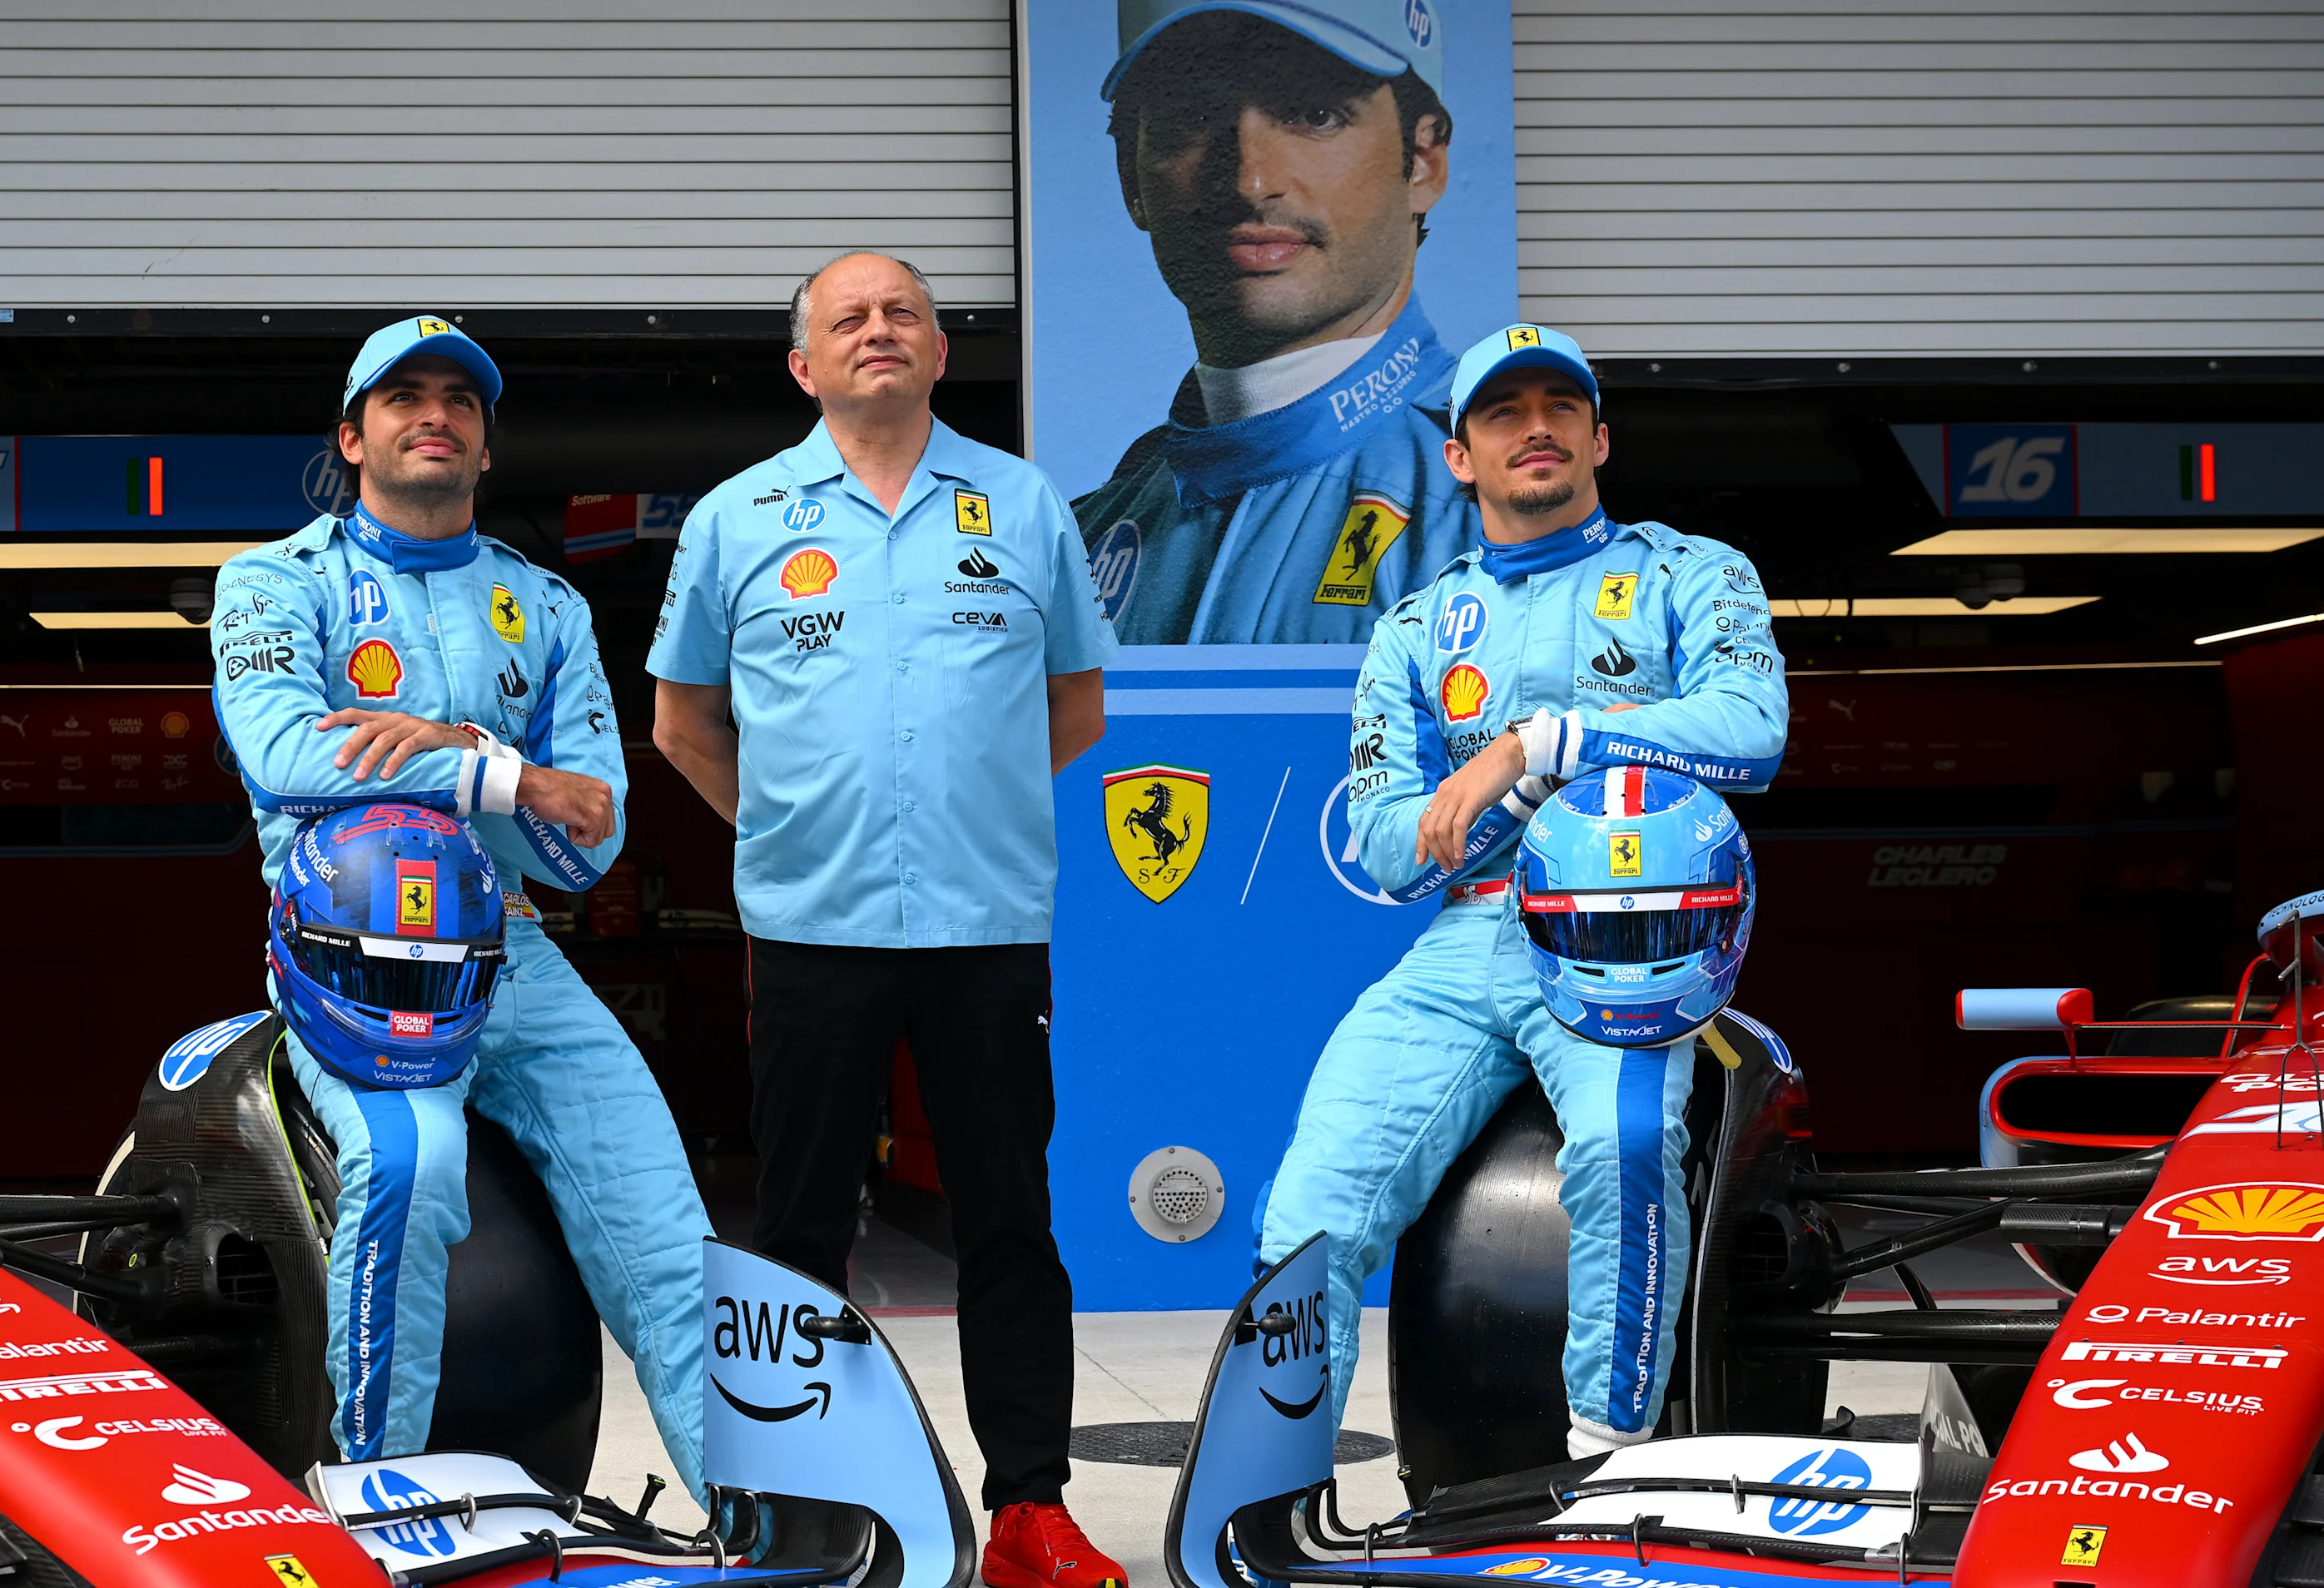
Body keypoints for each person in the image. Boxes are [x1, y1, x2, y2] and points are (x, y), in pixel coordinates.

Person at [647, 253, 1125, 1588]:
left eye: (901, 312)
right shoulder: (739, 520)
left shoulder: (1023, 506)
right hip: (811, 926)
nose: (878, 330)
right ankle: (796, 1509)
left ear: (937, 350)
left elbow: (1077, 711)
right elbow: (682, 725)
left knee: (1009, 1226)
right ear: (805, 366)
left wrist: (958, 803)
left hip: (986, 925)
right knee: (798, 1232)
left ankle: (1032, 1512)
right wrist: (795, 826)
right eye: (847, 318)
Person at [1258, 321, 1788, 1458]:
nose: (1534, 428)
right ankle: (1277, 1493)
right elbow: (1392, 850)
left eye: (1560, 408)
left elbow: (1752, 732)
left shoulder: (1691, 572)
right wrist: (1513, 789)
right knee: (1308, 1210)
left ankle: (1606, 1474)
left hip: (1628, 937)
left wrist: (1539, 743)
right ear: (1462, 456)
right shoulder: (1411, 629)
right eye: (1503, 412)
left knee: (1622, 1153)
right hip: (1461, 946)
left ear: (1600, 437)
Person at [211, 315, 713, 1488]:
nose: (434, 413)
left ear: (485, 448)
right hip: (352, 955)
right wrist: (504, 777)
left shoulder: (546, 608)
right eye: (403, 396)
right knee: (411, 1169)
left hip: (515, 954)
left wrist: (453, 747)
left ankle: (746, 1520)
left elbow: (591, 843)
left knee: (668, 1235)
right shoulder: (277, 581)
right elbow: (284, 750)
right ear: (354, 436)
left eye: (460, 401)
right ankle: (375, 1504)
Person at [1073, 0, 1475, 644]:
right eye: (1191, 118)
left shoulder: (1501, 516)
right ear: (1130, 177)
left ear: (1423, 161)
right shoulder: (1088, 537)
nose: (1250, 179)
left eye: (1314, 115)